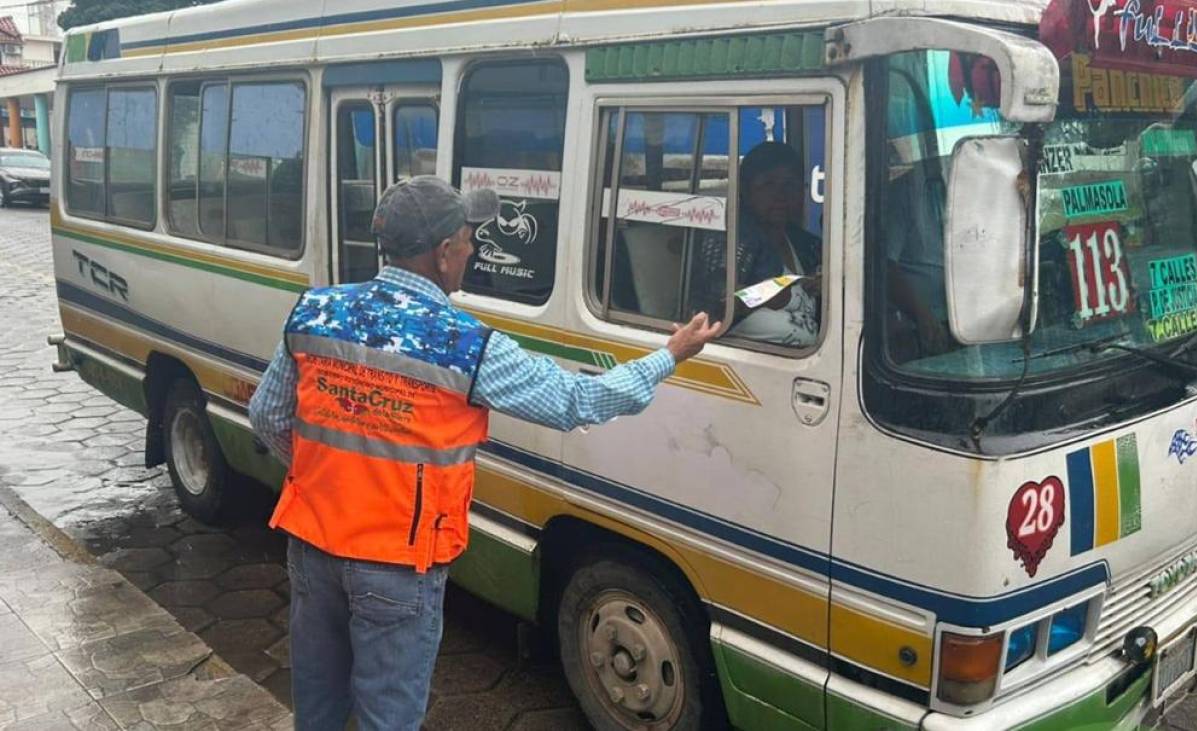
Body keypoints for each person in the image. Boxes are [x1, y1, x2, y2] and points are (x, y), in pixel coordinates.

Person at [248, 176, 723, 731]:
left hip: (311, 548)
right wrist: (670, 354)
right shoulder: (463, 344)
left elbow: (268, 416)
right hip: (397, 564)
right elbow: (576, 400)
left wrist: (328, 480)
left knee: (319, 711)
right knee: (388, 719)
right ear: (444, 252)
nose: (474, 250)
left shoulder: (316, 312)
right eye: (469, 238)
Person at [691, 141, 822, 347]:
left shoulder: (802, 241)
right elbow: (716, 298)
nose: (781, 195)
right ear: (745, 190)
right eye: (768, 184)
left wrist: (819, 284)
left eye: (790, 185)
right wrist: (763, 294)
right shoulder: (733, 236)